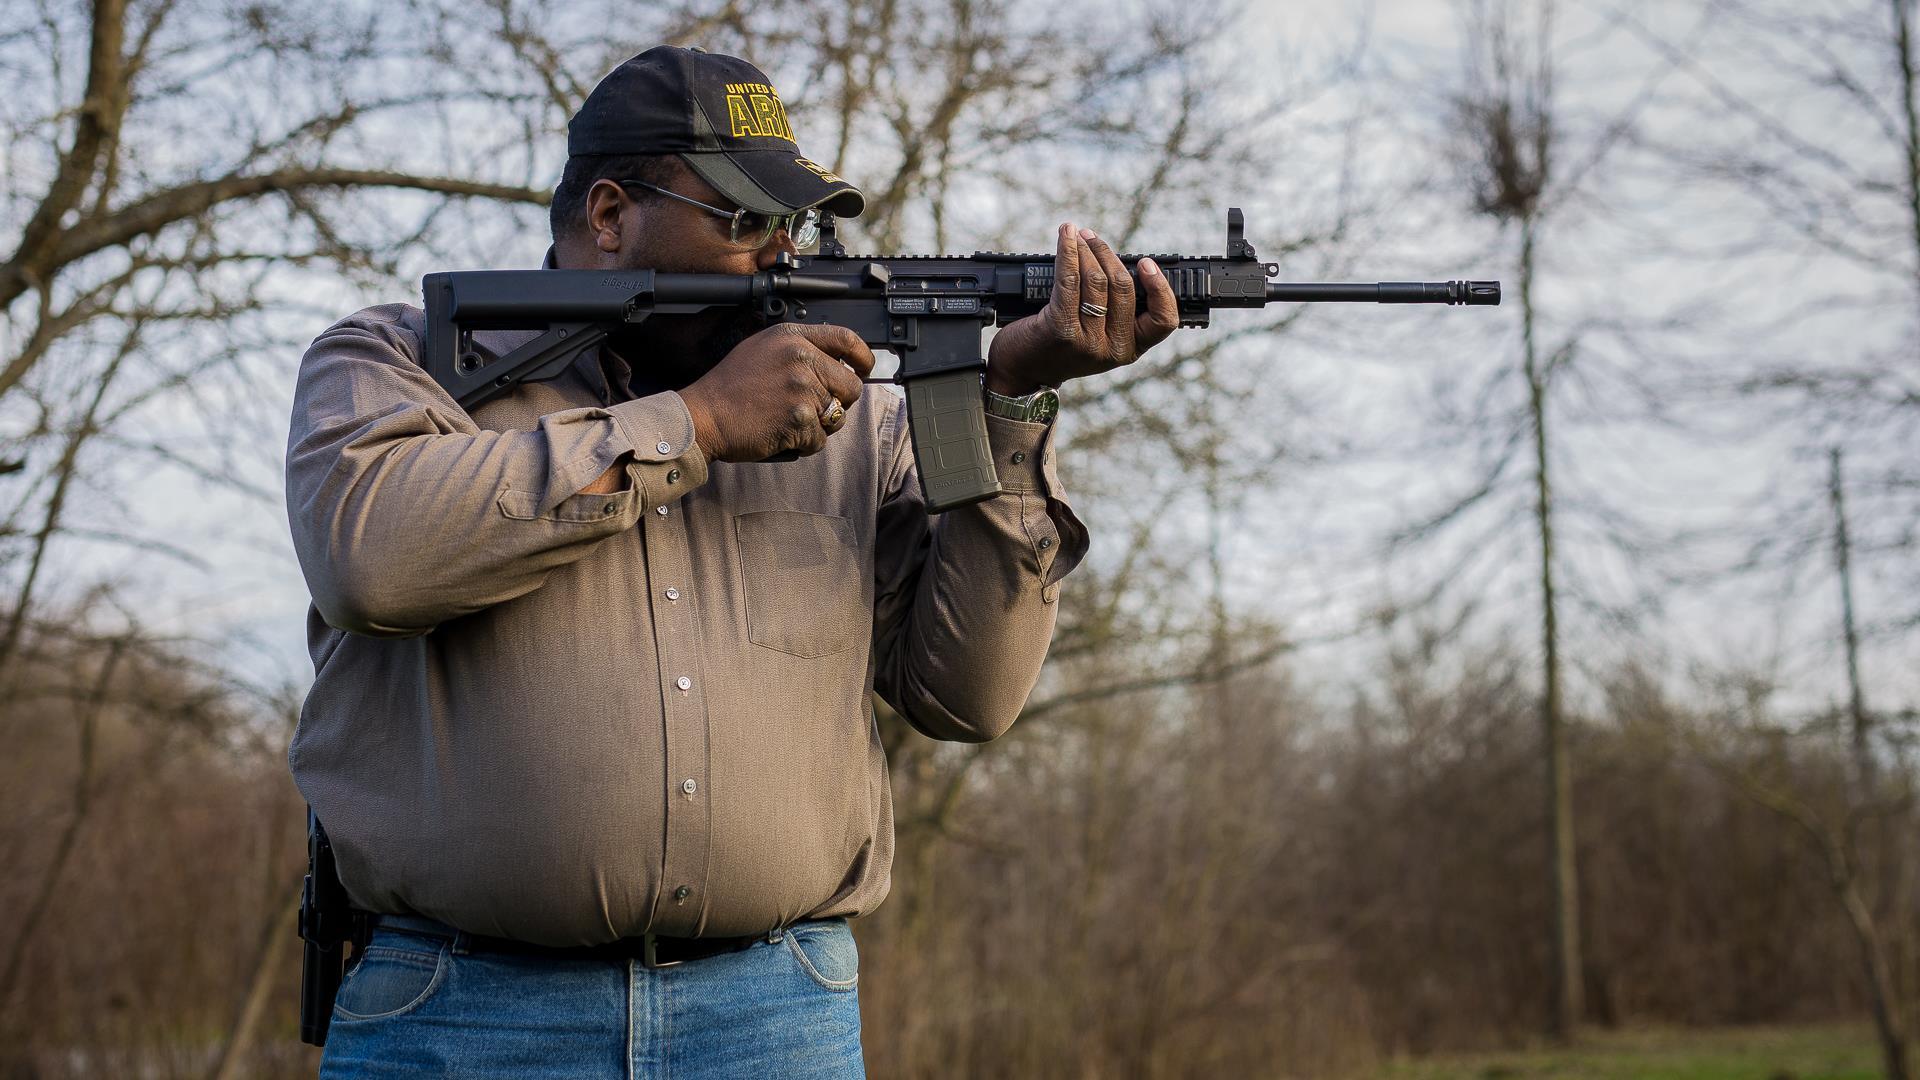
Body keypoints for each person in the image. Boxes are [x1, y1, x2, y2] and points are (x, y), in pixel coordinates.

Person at [284, 44, 1179, 1078]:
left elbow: (969, 696)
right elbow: (370, 562)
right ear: (611, 215)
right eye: (744, 221)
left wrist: (1010, 403)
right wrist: (696, 425)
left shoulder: (843, 418)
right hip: (467, 1015)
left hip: (773, 1015)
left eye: (790, 223)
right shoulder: (401, 366)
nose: (782, 254)